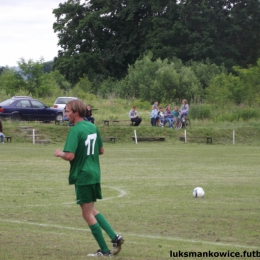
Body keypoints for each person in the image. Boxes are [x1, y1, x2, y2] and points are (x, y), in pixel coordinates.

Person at [54, 100, 124, 257]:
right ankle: (115, 237)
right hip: (94, 172)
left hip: (83, 175)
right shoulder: (92, 127)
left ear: (76, 113)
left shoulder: (75, 130)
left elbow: (70, 155)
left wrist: (60, 153)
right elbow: (101, 150)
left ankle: (105, 251)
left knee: (86, 214)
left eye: (68, 111)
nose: (66, 114)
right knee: (91, 210)